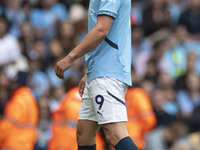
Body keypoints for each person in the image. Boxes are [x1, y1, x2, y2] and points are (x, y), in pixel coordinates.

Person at [55, 0, 139, 150]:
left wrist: (69, 58)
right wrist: (90, 71)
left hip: (108, 73)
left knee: (115, 135)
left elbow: (101, 30)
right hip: (99, 71)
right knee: (84, 134)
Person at [0, 71, 39, 149]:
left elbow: (7, 124)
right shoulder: (31, 100)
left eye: (14, 83)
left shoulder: (18, 101)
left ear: (18, 84)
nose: (11, 85)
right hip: (26, 146)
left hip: (12, 145)